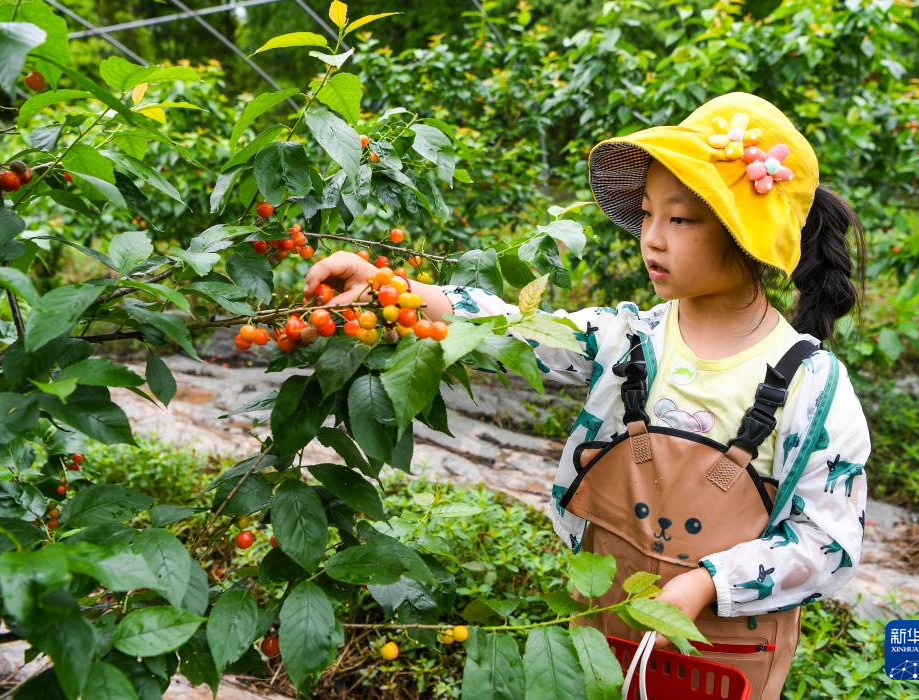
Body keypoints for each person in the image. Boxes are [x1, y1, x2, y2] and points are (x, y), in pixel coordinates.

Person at [304, 92, 870, 698]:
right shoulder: (632, 340)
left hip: (723, 656)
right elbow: (515, 328)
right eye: (647, 214)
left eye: (680, 220)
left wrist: (709, 581)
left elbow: (828, 541)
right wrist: (395, 290)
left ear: (747, 234)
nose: (651, 239)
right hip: (605, 620)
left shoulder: (811, 386)